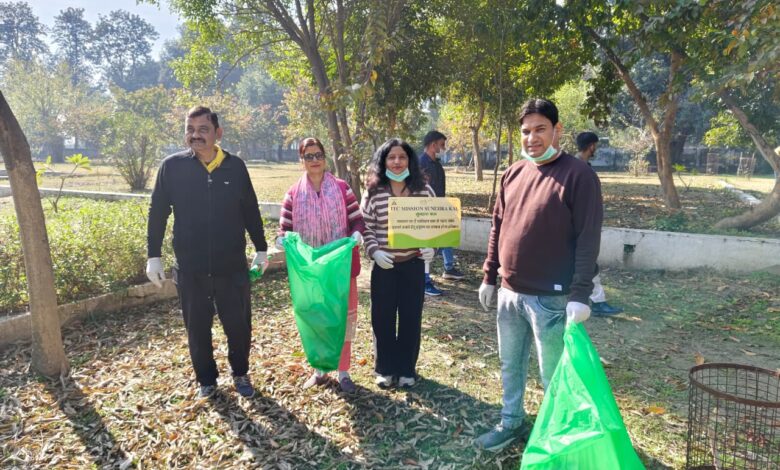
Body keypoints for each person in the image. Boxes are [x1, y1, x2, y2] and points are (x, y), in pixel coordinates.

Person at [475, 99, 603, 451]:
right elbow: (497, 227)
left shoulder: (579, 176)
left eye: (540, 129)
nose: (531, 138)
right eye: (526, 131)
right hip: (510, 293)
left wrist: (580, 294)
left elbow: (588, 238)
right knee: (510, 365)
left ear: (557, 130)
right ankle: (511, 422)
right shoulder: (513, 173)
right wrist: (489, 275)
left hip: (552, 298)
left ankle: (559, 440)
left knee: (554, 375)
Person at [146, 106, 268, 399]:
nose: (195, 135)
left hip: (231, 266)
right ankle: (207, 380)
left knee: (238, 327)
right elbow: (158, 211)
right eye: (190, 129)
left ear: (217, 133)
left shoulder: (235, 167)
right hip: (191, 267)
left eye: (203, 129)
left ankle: (240, 373)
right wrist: (153, 256)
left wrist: (261, 249)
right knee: (197, 329)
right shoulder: (172, 167)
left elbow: (250, 210)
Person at [274, 137, 365, 394]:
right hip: (311, 272)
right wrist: (281, 240)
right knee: (315, 319)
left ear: (325, 158)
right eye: (309, 156)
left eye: (318, 155)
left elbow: (357, 220)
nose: (314, 160)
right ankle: (320, 370)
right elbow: (284, 228)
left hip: (340, 269)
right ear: (301, 160)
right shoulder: (293, 194)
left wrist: (357, 234)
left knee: (343, 319)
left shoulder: (342, 188)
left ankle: (344, 372)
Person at [361, 138, 435, 389]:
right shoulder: (374, 192)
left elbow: (436, 223)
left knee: (411, 318)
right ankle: (385, 369)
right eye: (391, 157)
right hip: (384, 267)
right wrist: (374, 251)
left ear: (409, 160)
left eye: (402, 157)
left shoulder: (423, 190)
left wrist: (432, 246)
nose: (396, 162)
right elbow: (366, 226)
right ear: (383, 162)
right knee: (382, 318)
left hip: (413, 265)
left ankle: (406, 369)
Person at [575, 131, 623, 316]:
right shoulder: (579, 168)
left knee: (586, 266)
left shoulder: (577, 165)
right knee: (587, 265)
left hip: (580, 225)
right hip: (579, 227)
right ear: (592, 146)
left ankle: (597, 301)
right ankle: (597, 302)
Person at [418, 130, 465, 297]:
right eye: (441, 144)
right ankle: (424, 281)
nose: (443, 148)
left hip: (439, 207)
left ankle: (448, 268)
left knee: (446, 235)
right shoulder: (421, 164)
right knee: (427, 246)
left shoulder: (436, 164)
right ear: (433, 145)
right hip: (426, 211)